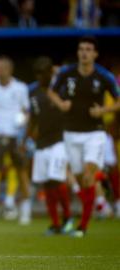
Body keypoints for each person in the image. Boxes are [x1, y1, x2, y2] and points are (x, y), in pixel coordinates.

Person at [48, 36, 120, 237]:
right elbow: (51, 92)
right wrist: (60, 104)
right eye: (81, 49)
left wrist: (104, 110)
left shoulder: (104, 76)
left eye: (88, 49)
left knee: (87, 176)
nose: (84, 53)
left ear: (95, 54)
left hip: (94, 133)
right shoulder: (66, 73)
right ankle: (102, 179)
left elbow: (118, 100)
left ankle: (83, 227)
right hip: (71, 133)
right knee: (81, 179)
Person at [0, 56, 32, 225]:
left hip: (15, 136)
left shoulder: (21, 88)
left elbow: (26, 111)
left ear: (10, 69)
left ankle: (25, 209)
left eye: (1, 67)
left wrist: (23, 124)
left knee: (22, 172)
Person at [28, 56, 73, 235]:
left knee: (57, 179)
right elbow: (33, 119)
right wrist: (26, 139)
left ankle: (68, 218)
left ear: (50, 72)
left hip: (59, 141)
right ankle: (55, 223)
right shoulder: (33, 92)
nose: (41, 78)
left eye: (44, 74)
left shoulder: (61, 88)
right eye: (38, 75)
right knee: (47, 184)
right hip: (41, 142)